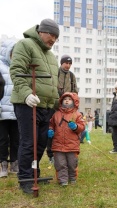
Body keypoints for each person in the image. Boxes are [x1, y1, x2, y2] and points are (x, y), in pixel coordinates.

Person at [10, 18, 60, 194]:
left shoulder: (51, 56)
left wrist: (56, 104)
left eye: (56, 37)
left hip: (46, 106)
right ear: (41, 32)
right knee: (28, 142)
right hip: (27, 104)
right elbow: (17, 71)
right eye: (51, 35)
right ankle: (25, 178)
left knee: (40, 144)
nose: (53, 39)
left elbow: (53, 84)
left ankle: (35, 173)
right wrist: (26, 94)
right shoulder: (25, 45)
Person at [48, 92, 85, 186]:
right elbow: (51, 124)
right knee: (60, 163)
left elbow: (82, 126)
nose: (67, 100)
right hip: (58, 144)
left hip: (72, 145)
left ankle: (72, 177)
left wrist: (76, 127)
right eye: (65, 99)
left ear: (74, 102)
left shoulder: (77, 114)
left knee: (72, 163)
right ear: (61, 102)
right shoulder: (56, 114)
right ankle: (62, 180)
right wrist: (51, 130)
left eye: (69, 99)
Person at [0, 39, 19, 178]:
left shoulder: (19, 67)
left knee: (16, 139)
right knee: (2, 139)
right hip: (1, 111)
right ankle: (3, 164)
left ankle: (14, 163)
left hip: (16, 110)